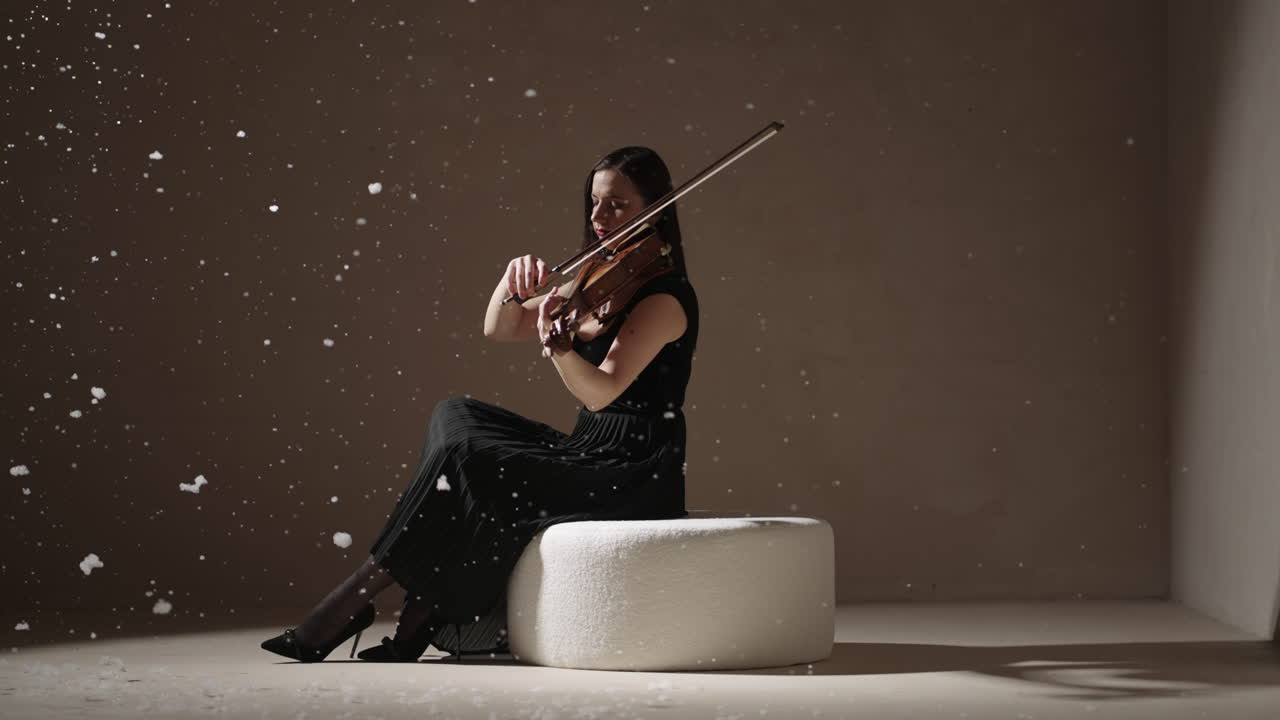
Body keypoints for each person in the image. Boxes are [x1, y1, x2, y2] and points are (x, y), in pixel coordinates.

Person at [260, 145, 699, 663]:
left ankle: (359, 598)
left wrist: (559, 349)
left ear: (655, 209)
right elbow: (499, 326)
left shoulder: (663, 297)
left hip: (632, 468)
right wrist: (511, 282)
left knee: (472, 458)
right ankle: (412, 616)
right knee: (457, 417)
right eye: (595, 202)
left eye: (618, 205)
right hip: (589, 447)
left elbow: (599, 392)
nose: (600, 217)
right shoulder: (600, 275)